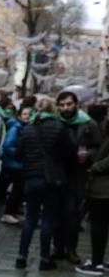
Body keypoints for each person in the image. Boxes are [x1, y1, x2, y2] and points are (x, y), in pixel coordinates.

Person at [16, 96, 76, 270]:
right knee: (48, 219)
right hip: (52, 179)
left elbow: (19, 153)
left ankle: (21, 257)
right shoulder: (59, 127)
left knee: (30, 218)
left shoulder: (28, 128)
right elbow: (71, 151)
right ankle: (44, 259)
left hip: (31, 178)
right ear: (53, 109)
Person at [54, 90, 103, 265]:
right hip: (57, 174)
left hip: (77, 175)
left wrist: (88, 154)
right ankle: (57, 248)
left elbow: (100, 149)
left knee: (72, 214)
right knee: (56, 214)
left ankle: (71, 249)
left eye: (69, 104)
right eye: (62, 105)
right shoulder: (55, 122)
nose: (65, 108)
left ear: (76, 104)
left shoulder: (88, 124)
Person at [78, 125, 109, 275]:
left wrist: (95, 167)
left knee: (98, 225)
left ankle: (96, 264)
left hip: (103, 189)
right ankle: (99, 261)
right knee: (100, 226)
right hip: (102, 188)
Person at [0, 106, 31, 225]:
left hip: (20, 164)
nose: (27, 116)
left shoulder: (23, 128)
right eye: (24, 114)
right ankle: (8, 213)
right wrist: (19, 154)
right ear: (19, 116)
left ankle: (14, 212)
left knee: (19, 189)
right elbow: (7, 146)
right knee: (16, 190)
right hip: (14, 164)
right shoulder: (15, 128)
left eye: (29, 114)